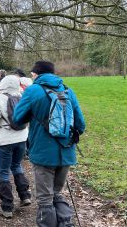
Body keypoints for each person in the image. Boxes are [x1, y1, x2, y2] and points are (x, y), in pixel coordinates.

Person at [13, 61, 85, 227]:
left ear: (37, 74)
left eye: (32, 74)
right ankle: (66, 223)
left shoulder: (32, 90)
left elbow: (17, 119)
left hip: (43, 153)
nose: (31, 76)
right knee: (57, 193)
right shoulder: (68, 90)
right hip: (66, 152)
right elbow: (80, 124)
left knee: (45, 199)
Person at [0, 75, 31, 218]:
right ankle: (25, 196)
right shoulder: (22, 96)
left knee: (4, 172)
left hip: (5, 139)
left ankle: (7, 207)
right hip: (22, 137)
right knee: (17, 165)